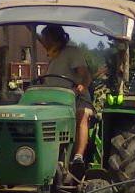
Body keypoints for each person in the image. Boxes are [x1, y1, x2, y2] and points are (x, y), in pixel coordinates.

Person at [38, 25, 96, 173]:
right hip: (54, 100)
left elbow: (85, 74)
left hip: (76, 98)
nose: (43, 41)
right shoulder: (53, 56)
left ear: (53, 38)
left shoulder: (72, 52)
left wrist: (82, 86)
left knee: (82, 114)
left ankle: (78, 157)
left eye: (45, 38)